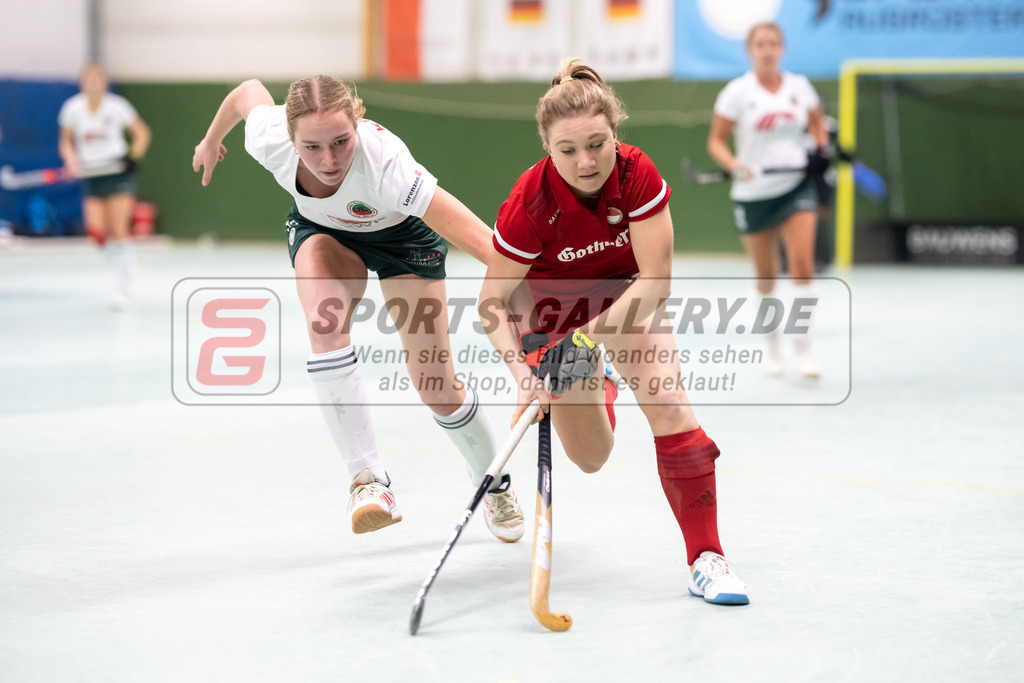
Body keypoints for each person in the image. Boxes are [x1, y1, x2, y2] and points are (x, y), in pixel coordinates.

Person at [191, 76, 524, 540]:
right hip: (324, 233)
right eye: (312, 146)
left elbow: (472, 234)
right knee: (323, 322)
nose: (328, 160)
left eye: (341, 142)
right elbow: (247, 92)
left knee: (436, 384)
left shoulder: (386, 165)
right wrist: (210, 141)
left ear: (358, 123)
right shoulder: (271, 138)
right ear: (290, 138)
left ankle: (494, 482)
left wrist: (546, 289)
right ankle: (368, 482)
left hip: (403, 238)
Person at [478, 58, 749, 605]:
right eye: (568, 150)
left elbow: (656, 283)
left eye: (597, 144)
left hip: (625, 295)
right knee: (591, 458)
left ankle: (707, 559)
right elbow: (491, 302)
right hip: (548, 309)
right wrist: (523, 372)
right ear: (546, 148)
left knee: (669, 405)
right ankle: (592, 383)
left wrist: (584, 340)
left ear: (615, 134)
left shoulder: (636, 174)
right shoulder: (530, 203)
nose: (586, 162)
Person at [706, 22, 828, 379]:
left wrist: (820, 149)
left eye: (774, 43)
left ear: (782, 48)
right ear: (750, 50)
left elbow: (817, 125)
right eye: (760, 44)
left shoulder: (800, 88)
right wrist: (734, 164)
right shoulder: (736, 93)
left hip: (796, 187)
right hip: (753, 195)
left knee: (803, 265)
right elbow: (716, 141)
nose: (767, 50)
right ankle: (773, 348)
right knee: (767, 275)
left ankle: (803, 351)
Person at [58, 63, 151, 310]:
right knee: (97, 235)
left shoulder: (117, 107)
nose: (93, 82)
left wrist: (134, 156)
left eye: (98, 78)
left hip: (117, 173)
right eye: (89, 78)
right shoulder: (72, 109)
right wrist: (71, 160)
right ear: (82, 82)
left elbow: (142, 133)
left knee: (118, 230)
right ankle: (126, 266)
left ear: (105, 82)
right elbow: (65, 142)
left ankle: (127, 285)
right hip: (91, 174)